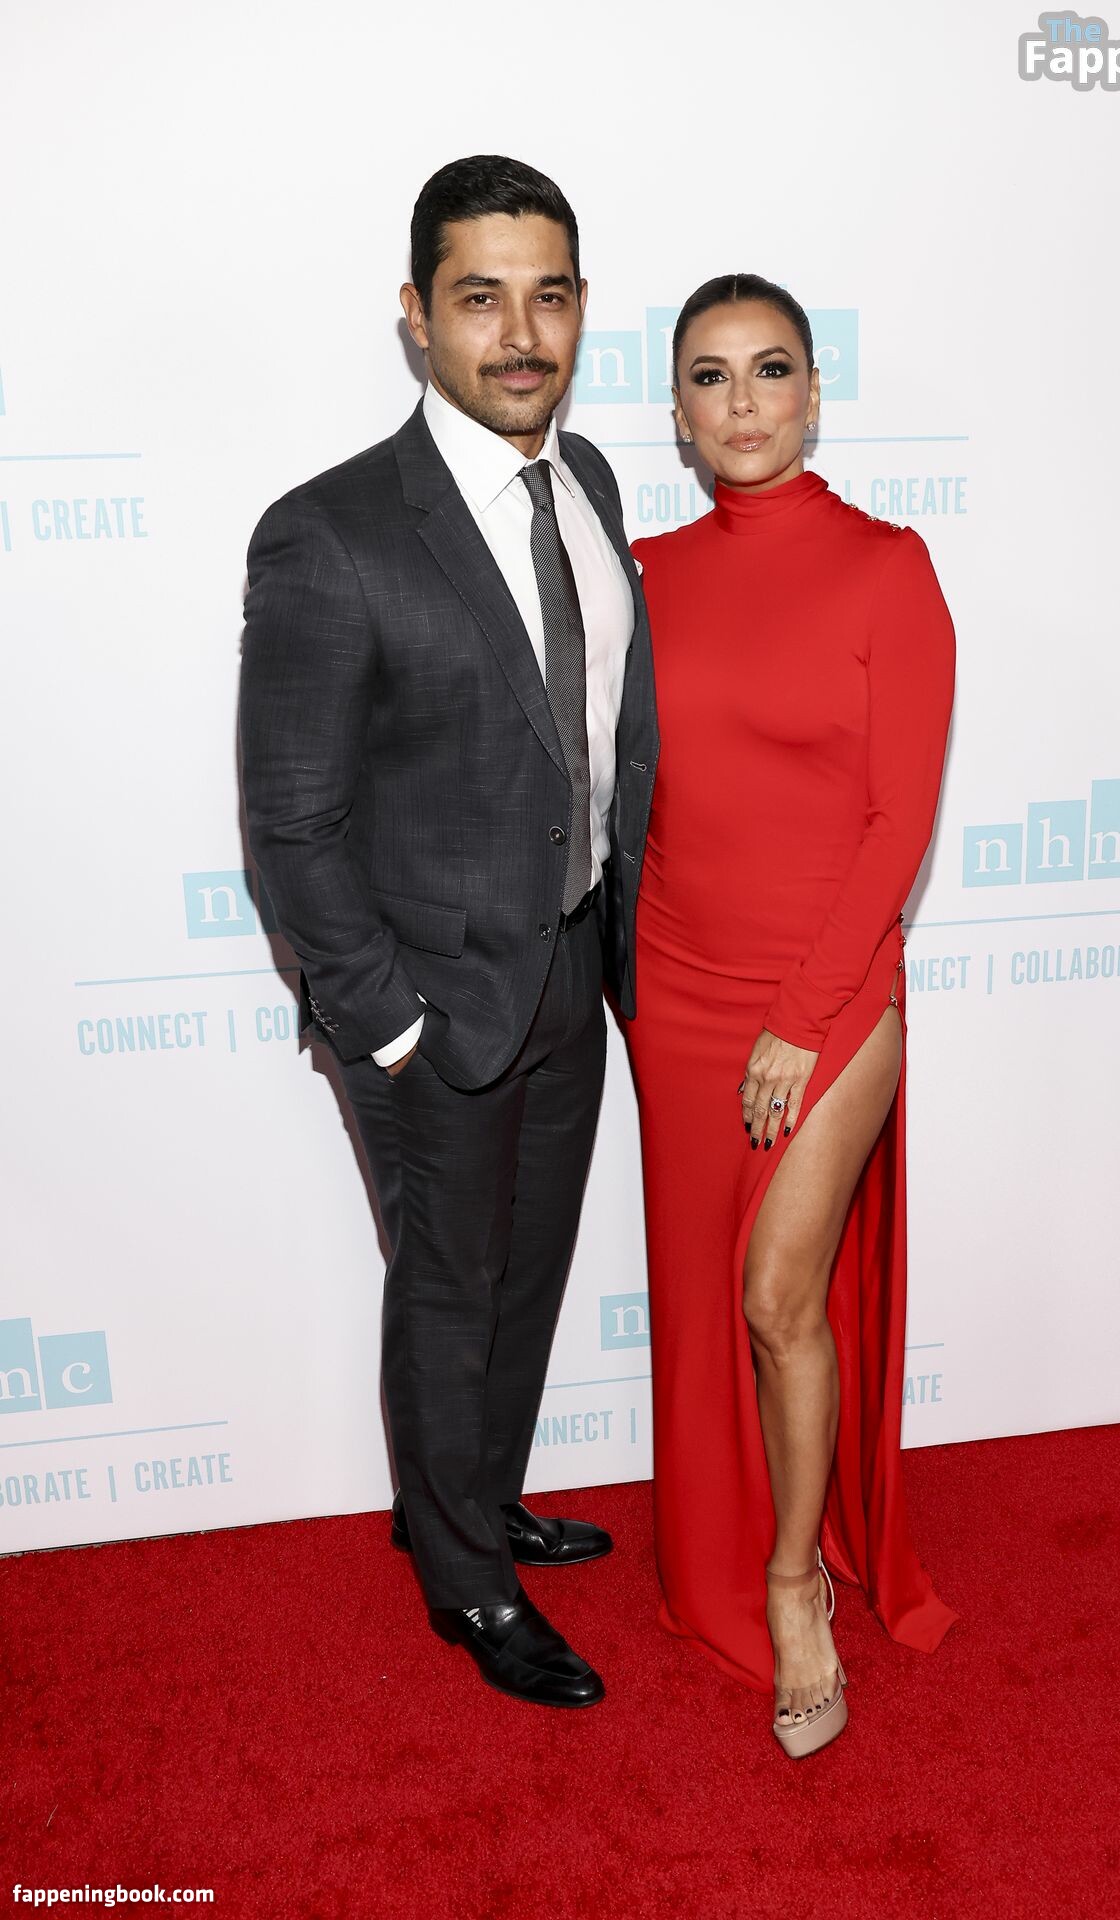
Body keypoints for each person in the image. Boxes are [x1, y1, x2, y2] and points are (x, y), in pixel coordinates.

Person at [239, 155, 658, 1709]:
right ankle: (465, 1583)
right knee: (447, 1288)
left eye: (549, 297)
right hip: (428, 999)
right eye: (481, 298)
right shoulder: (330, 532)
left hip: (570, 961)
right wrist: (390, 1024)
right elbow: (291, 823)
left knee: (528, 1273)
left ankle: (474, 1499)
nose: (520, 334)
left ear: (583, 309)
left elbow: (599, 738)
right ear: (417, 316)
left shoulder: (590, 478)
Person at [626, 273, 958, 1757]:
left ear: (816, 395)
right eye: (711, 376)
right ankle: (720, 1546)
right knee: (712, 1304)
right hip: (677, 989)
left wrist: (804, 1015)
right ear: (678, 412)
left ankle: (792, 1582)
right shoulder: (645, 575)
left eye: (771, 370)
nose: (744, 401)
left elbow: (900, 824)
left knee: (777, 1296)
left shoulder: (890, 569)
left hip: (828, 990)